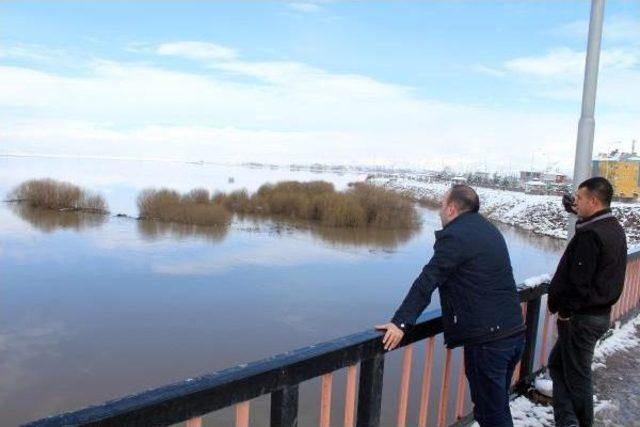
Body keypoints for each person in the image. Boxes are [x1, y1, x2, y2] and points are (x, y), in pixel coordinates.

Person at [375, 184, 525, 427]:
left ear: (453, 209)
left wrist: (401, 322)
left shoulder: (456, 236)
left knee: (491, 414)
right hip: (514, 333)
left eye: (442, 205)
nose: (439, 210)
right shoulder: (489, 229)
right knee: (495, 408)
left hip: (489, 342)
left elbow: (428, 280)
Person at [548, 177, 627, 427]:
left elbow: (579, 282)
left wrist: (565, 312)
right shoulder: (612, 227)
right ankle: (569, 420)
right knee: (558, 365)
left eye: (580, 199)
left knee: (578, 376)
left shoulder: (590, 236)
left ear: (593, 200)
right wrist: (576, 212)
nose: (576, 202)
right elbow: (591, 225)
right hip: (597, 314)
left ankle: (577, 422)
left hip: (581, 319)